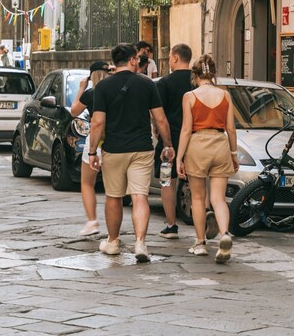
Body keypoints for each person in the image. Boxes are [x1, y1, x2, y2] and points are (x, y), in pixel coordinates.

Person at [87, 44, 175, 262]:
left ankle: (113, 242)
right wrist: (168, 145)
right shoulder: (146, 84)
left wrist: (92, 152)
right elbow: (160, 118)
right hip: (141, 149)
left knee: (114, 197)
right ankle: (140, 243)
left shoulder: (103, 87)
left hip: (114, 149)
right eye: (137, 58)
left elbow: (97, 123)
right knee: (140, 197)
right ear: (133, 60)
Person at [176, 55, 238, 263]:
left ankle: (200, 243)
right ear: (213, 74)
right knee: (218, 199)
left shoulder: (190, 96)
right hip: (220, 143)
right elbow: (230, 128)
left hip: (198, 144)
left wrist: (179, 157)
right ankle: (225, 234)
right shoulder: (225, 96)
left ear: (195, 75)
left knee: (198, 198)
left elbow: (186, 129)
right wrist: (233, 153)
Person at [155, 44, 203, 240]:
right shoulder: (198, 82)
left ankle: (171, 225)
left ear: (175, 58)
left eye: (169, 57)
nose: (168, 61)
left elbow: (159, 116)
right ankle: (202, 223)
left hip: (170, 143)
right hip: (196, 141)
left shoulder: (164, 83)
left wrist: (162, 137)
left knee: (167, 182)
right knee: (198, 184)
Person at [70, 61, 114, 236]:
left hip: (95, 141)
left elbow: (74, 111)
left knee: (87, 183)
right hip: (116, 139)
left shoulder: (91, 93)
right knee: (114, 188)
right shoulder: (115, 90)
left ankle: (92, 221)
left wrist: (82, 87)